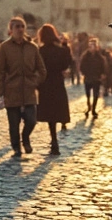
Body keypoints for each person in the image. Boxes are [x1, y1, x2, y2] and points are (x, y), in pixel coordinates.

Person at [0, 17, 46, 160]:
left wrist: (34, 81)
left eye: (22, 26)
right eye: (17, 26)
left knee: (31, 120)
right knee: (13, 123)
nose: (20, 29)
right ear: (11, 30)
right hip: (11, 90)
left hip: (29, 91)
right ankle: (16, 147)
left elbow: (41, 70)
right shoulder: (4, 47)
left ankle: (26, 138)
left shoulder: (32, 47)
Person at [35, 23, 71, 154]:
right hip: (57, 82)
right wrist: (66, 47)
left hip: (45, 83)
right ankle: (55, 141)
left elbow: (36, 67)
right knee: (56, 111)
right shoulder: (60, 50)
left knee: (50, 114)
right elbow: (65, 65)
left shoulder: (40, 51)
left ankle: (54, 139)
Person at [80, 37, 107, 117]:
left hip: (96, 78)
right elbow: (82, 66)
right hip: (88, 78)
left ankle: (93, 110)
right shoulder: (85, 56)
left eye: (93, 45)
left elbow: (103, 67)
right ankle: (89, 106)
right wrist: (84, 73)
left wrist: (102, 74)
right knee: (88, 95)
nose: (92, 47)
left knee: (96, 95)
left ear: (96, 46)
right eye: (90, 45)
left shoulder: (100, 57)